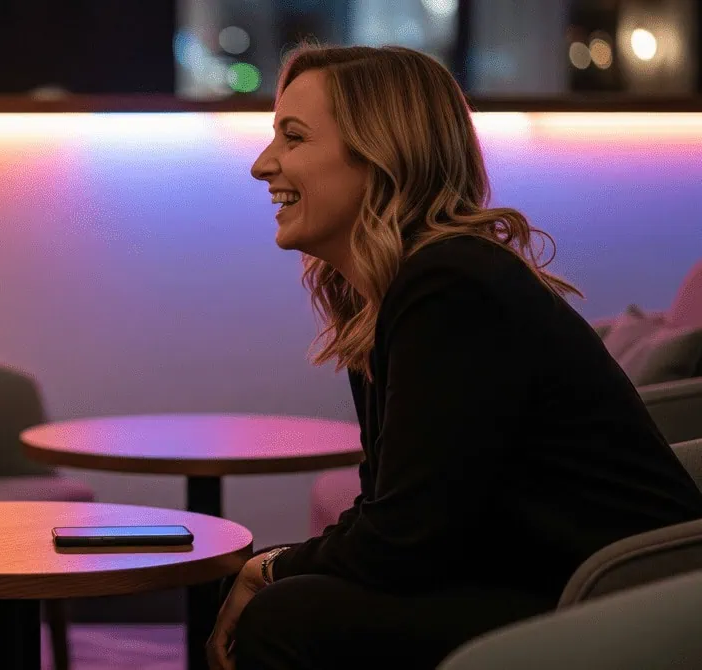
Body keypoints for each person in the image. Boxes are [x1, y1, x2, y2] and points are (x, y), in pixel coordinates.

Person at [207, 44, 702, 670]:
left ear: (381, 154)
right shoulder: (401, 291)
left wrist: (270, 568)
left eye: (293, 137)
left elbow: (402, 540)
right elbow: (395, 509)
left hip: (614, 597)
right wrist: (277, 567)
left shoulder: (449, 287)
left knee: (288, 618)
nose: (262, 165)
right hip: (523, 574)